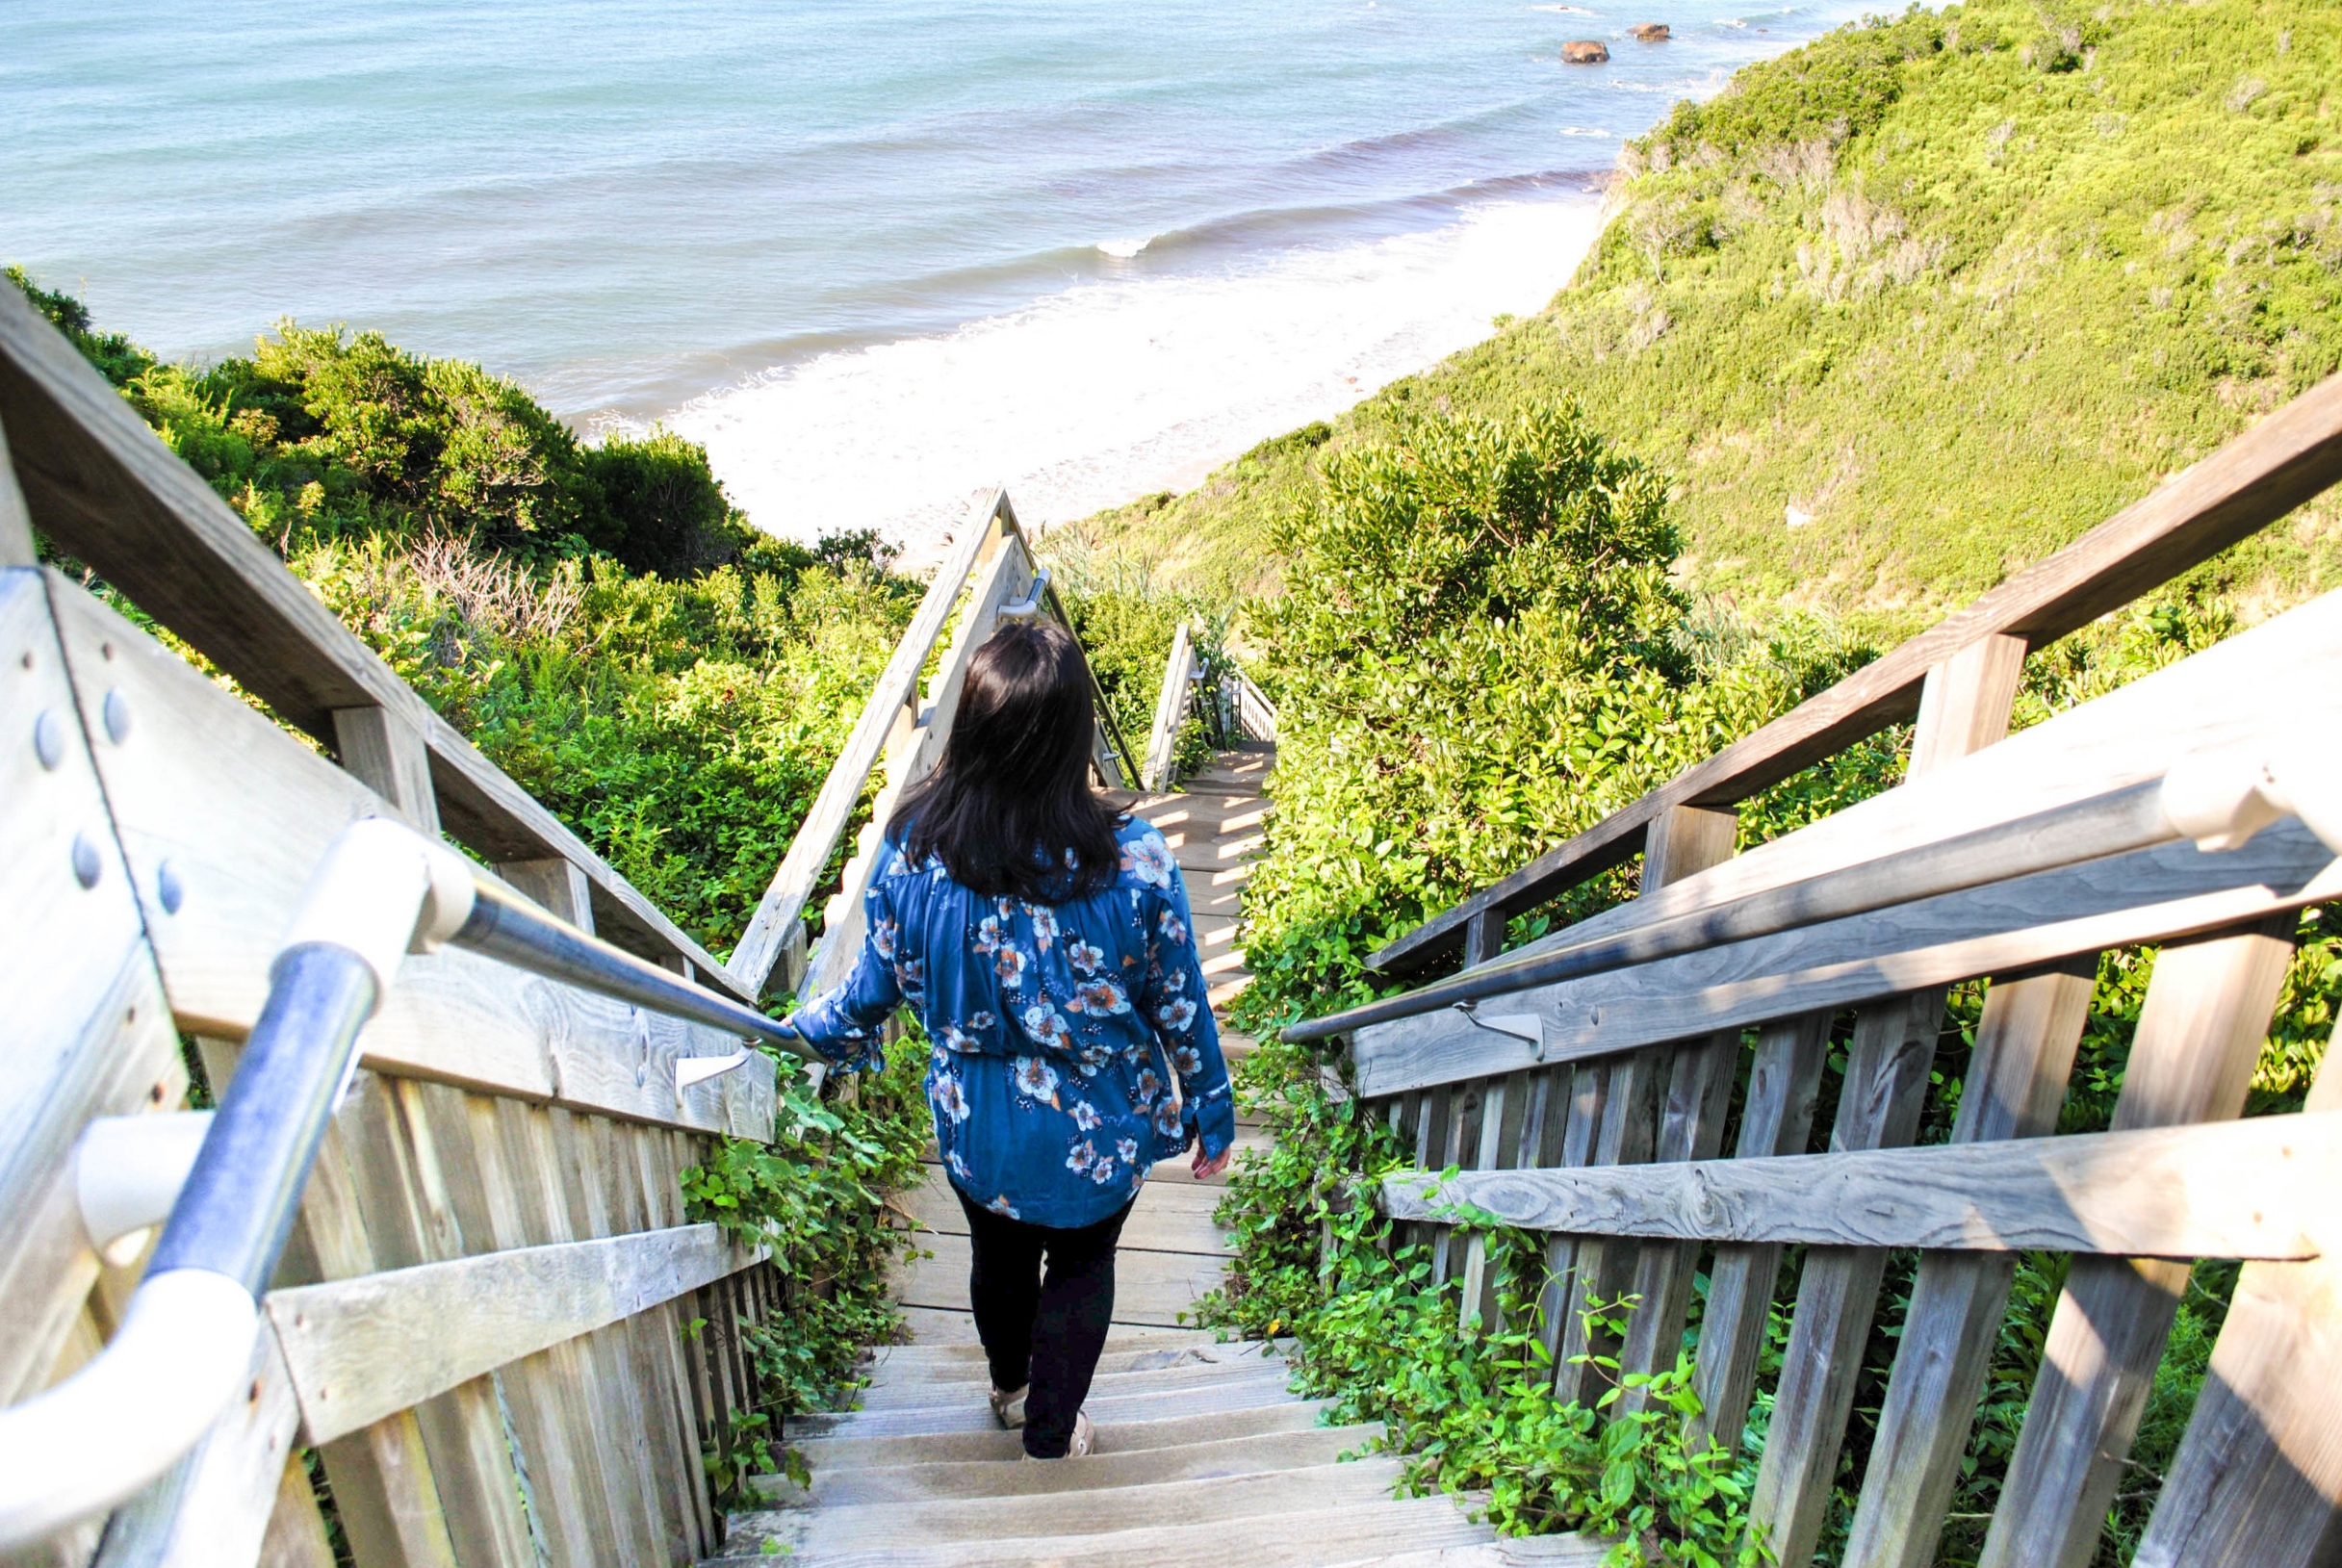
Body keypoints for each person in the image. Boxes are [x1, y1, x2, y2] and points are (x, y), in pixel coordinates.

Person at [786, 619, 1235, 1460]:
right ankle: (1051, 1432)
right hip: (1098, 1125)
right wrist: (1209, 1102)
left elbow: (866, 995)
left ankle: (1010, 1386)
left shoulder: (915, 848)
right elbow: (1179, 996)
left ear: (973, 725)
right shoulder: (1133, 860)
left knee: (997, 1257)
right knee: (1080, 1264)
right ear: (1075, 735)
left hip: (977, 1119)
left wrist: (794, 1034)